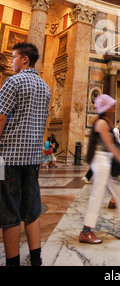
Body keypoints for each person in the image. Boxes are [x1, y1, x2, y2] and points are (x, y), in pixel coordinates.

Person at [0, 42, 51, 266]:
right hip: (33, 159)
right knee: (32, 211)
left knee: (8, 212)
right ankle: (36, 259)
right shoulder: (46, 87)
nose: (10, 62)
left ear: (24, 60)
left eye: (13, 57)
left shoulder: (13, 81)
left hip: (7, 157)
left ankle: (12, 262)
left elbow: (1, 117)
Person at [79, 94, 120, 244]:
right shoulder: (102, 123)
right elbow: (110, 145)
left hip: (106, 160)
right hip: (101, 160)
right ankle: (86, 231)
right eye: (111, 105)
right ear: (106, 108)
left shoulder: (105, 122)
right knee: (98, 194)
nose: (115, 107)